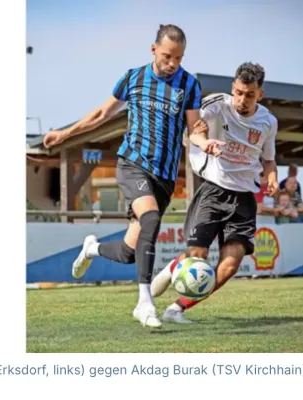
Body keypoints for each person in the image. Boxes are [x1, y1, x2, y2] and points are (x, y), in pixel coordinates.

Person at [43, 24, 223, 328]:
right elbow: (102, 114)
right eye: (167, 56)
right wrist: (64, 134)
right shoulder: (133, 78)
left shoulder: (189, 85)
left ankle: (92, 248)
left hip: (164, 176)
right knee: (150, 218)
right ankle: (144, 302)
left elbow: (194, 129)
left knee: (129, 252)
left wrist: (205, 143)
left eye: (178, 58)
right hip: (133, 163)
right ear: (154, 50)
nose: (172, 63)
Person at [150, 62, 280, 323]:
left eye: (250, 95)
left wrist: (273, 178)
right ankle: (175, 266)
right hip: (213, 191)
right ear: (233, 88)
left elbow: (268, 160)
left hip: (244, 199)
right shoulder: (217, 105)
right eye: (239, 92)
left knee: (229, 266)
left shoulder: (268, 122)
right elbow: (192, 128)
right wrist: (203, 140)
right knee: (197, 257)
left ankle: (176, 309)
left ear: (260, 94)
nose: (242, 100)